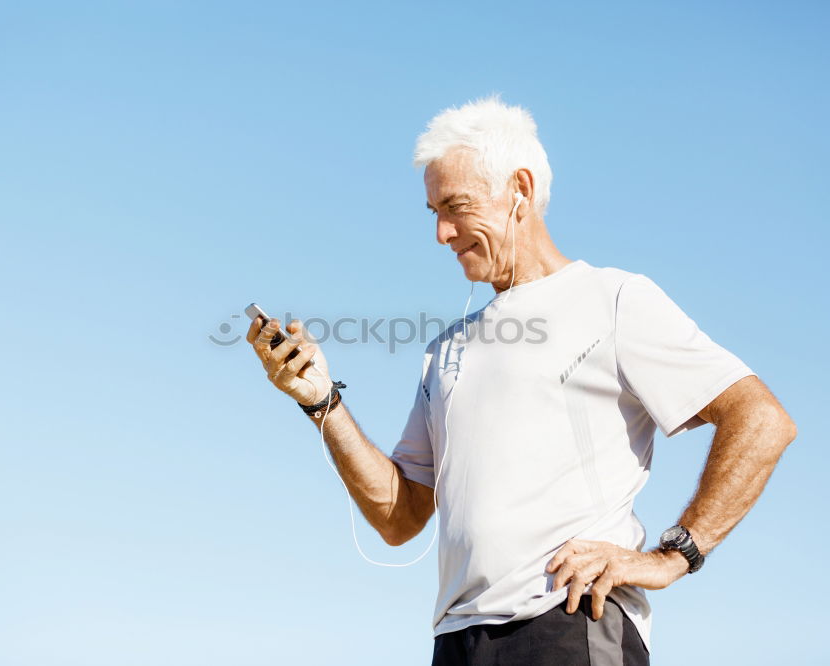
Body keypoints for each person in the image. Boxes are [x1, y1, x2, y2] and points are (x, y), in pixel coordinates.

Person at [245, 96, 797, 665]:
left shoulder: (612, 300)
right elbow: (400, 517)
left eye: (456, 206)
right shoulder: (445, 349)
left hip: (569, 625)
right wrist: (322, 403)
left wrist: (673, 555)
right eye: (433, 210)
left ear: (521, 191)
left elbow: (760, 419)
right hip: (457, 641)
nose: (441, 232)